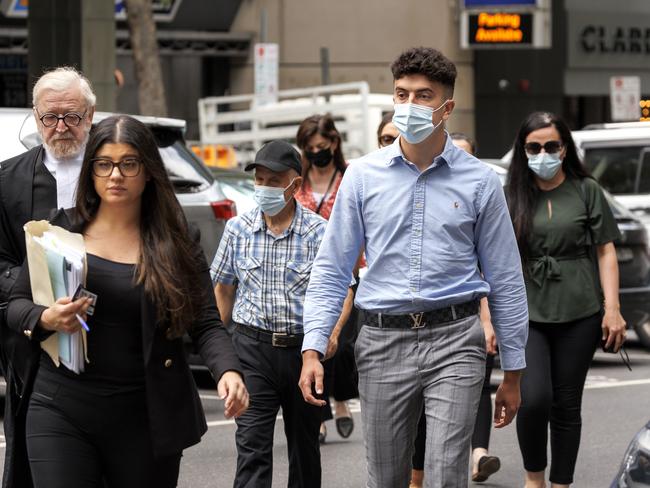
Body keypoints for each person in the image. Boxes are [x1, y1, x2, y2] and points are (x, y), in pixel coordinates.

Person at [299, 46, 529, 488]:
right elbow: (332, 268)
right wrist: (313, 348)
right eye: (401, 93)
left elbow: (504, 278)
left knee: (446, 476)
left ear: (446, 108)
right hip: (383, 340)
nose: (409, 105)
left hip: (456, 340)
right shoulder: (363, 177)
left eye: (423, 96)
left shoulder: (480, 180)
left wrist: (513, 373)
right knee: (385, 478)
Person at [6, 115, 248, 488]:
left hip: (146, 415)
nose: (115, 175)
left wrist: (228, 371)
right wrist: (46, 318)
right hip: (60, 407)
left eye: (128, 163)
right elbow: (16, 305)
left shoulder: (177, 241)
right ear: (91, 171)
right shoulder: (59, 230)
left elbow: (205, 321)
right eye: (103, 164)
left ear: (148, 171)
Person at [212, 140, 343, 488]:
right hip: (251, 350)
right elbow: (223, 288)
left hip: (305, 352)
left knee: (304, 449)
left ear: (295, 185)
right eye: (260, 180)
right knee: (252, 446)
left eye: (274, 181)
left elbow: (342, 289)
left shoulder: (319, 232)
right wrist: (218, 349)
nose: (265, 188)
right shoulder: (237, 230)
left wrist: (331, 333)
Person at [506, 112, 626, 488]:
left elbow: (605, 251)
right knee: (535, 396)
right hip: (526, 311)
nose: (543, 153)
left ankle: (561, 483)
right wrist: (489, 316)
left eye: (552, 146)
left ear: (565, 148)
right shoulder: (510, 194)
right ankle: (534, 479)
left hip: (580, 309)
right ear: (523, 151)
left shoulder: (586, 189)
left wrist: (613, 309)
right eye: (534, 147)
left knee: (566, 403)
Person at [0, 66, 96, 488]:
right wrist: (39, 297)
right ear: (36, 118)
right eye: (49, 117)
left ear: (90, 116)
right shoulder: (7, 180)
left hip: (106, 339)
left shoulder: (114, 173)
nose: (60, 127)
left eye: (71, 117)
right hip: (32, 343)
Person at [408, 131, 502, 487]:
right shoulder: (411, 193)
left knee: (476, 390)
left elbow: (493, 273)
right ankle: (417, 476)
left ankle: (478, 453)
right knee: (418, 413)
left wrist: (488, 320)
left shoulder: (482, 190)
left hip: (469, 319)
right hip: (414, 326)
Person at [295, 114, 357, 444]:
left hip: (347, 269)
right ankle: (319, 413)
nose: (318, 152)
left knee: (340, 344)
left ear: (334, 143)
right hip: (304, 274)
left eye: (322, 145)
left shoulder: (349, 178)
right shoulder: (299, 183)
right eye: (310, 147)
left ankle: (342, 399)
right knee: (314, 343)